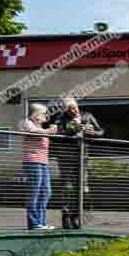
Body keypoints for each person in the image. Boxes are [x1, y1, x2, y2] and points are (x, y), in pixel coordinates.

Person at [47, 98, 104, 229]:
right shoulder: (60, 118)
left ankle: (77, 215)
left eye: (73, 107)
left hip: (82, 155)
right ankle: (66, 215)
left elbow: (101, 131)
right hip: (65, 156)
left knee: (82, 186)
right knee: (67, 186)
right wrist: (71, 130)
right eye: (68, 109)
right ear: (64, 110)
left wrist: (93, 133)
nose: (72, 110)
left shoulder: (87, 116)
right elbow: (55, 135)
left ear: (77, 105)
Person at [18, 103, 57, 230]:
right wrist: (48, 131)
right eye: (44, 113)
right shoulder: (26, 122)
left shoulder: (41, 127)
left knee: (46, 192)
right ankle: (34, 223)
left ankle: (41, 222)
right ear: (35, 115)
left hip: (43, 163)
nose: (46, 116)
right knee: (34, 192)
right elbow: (31, 131)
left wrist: (51, 131)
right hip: (32, 161)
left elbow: (42, 133)